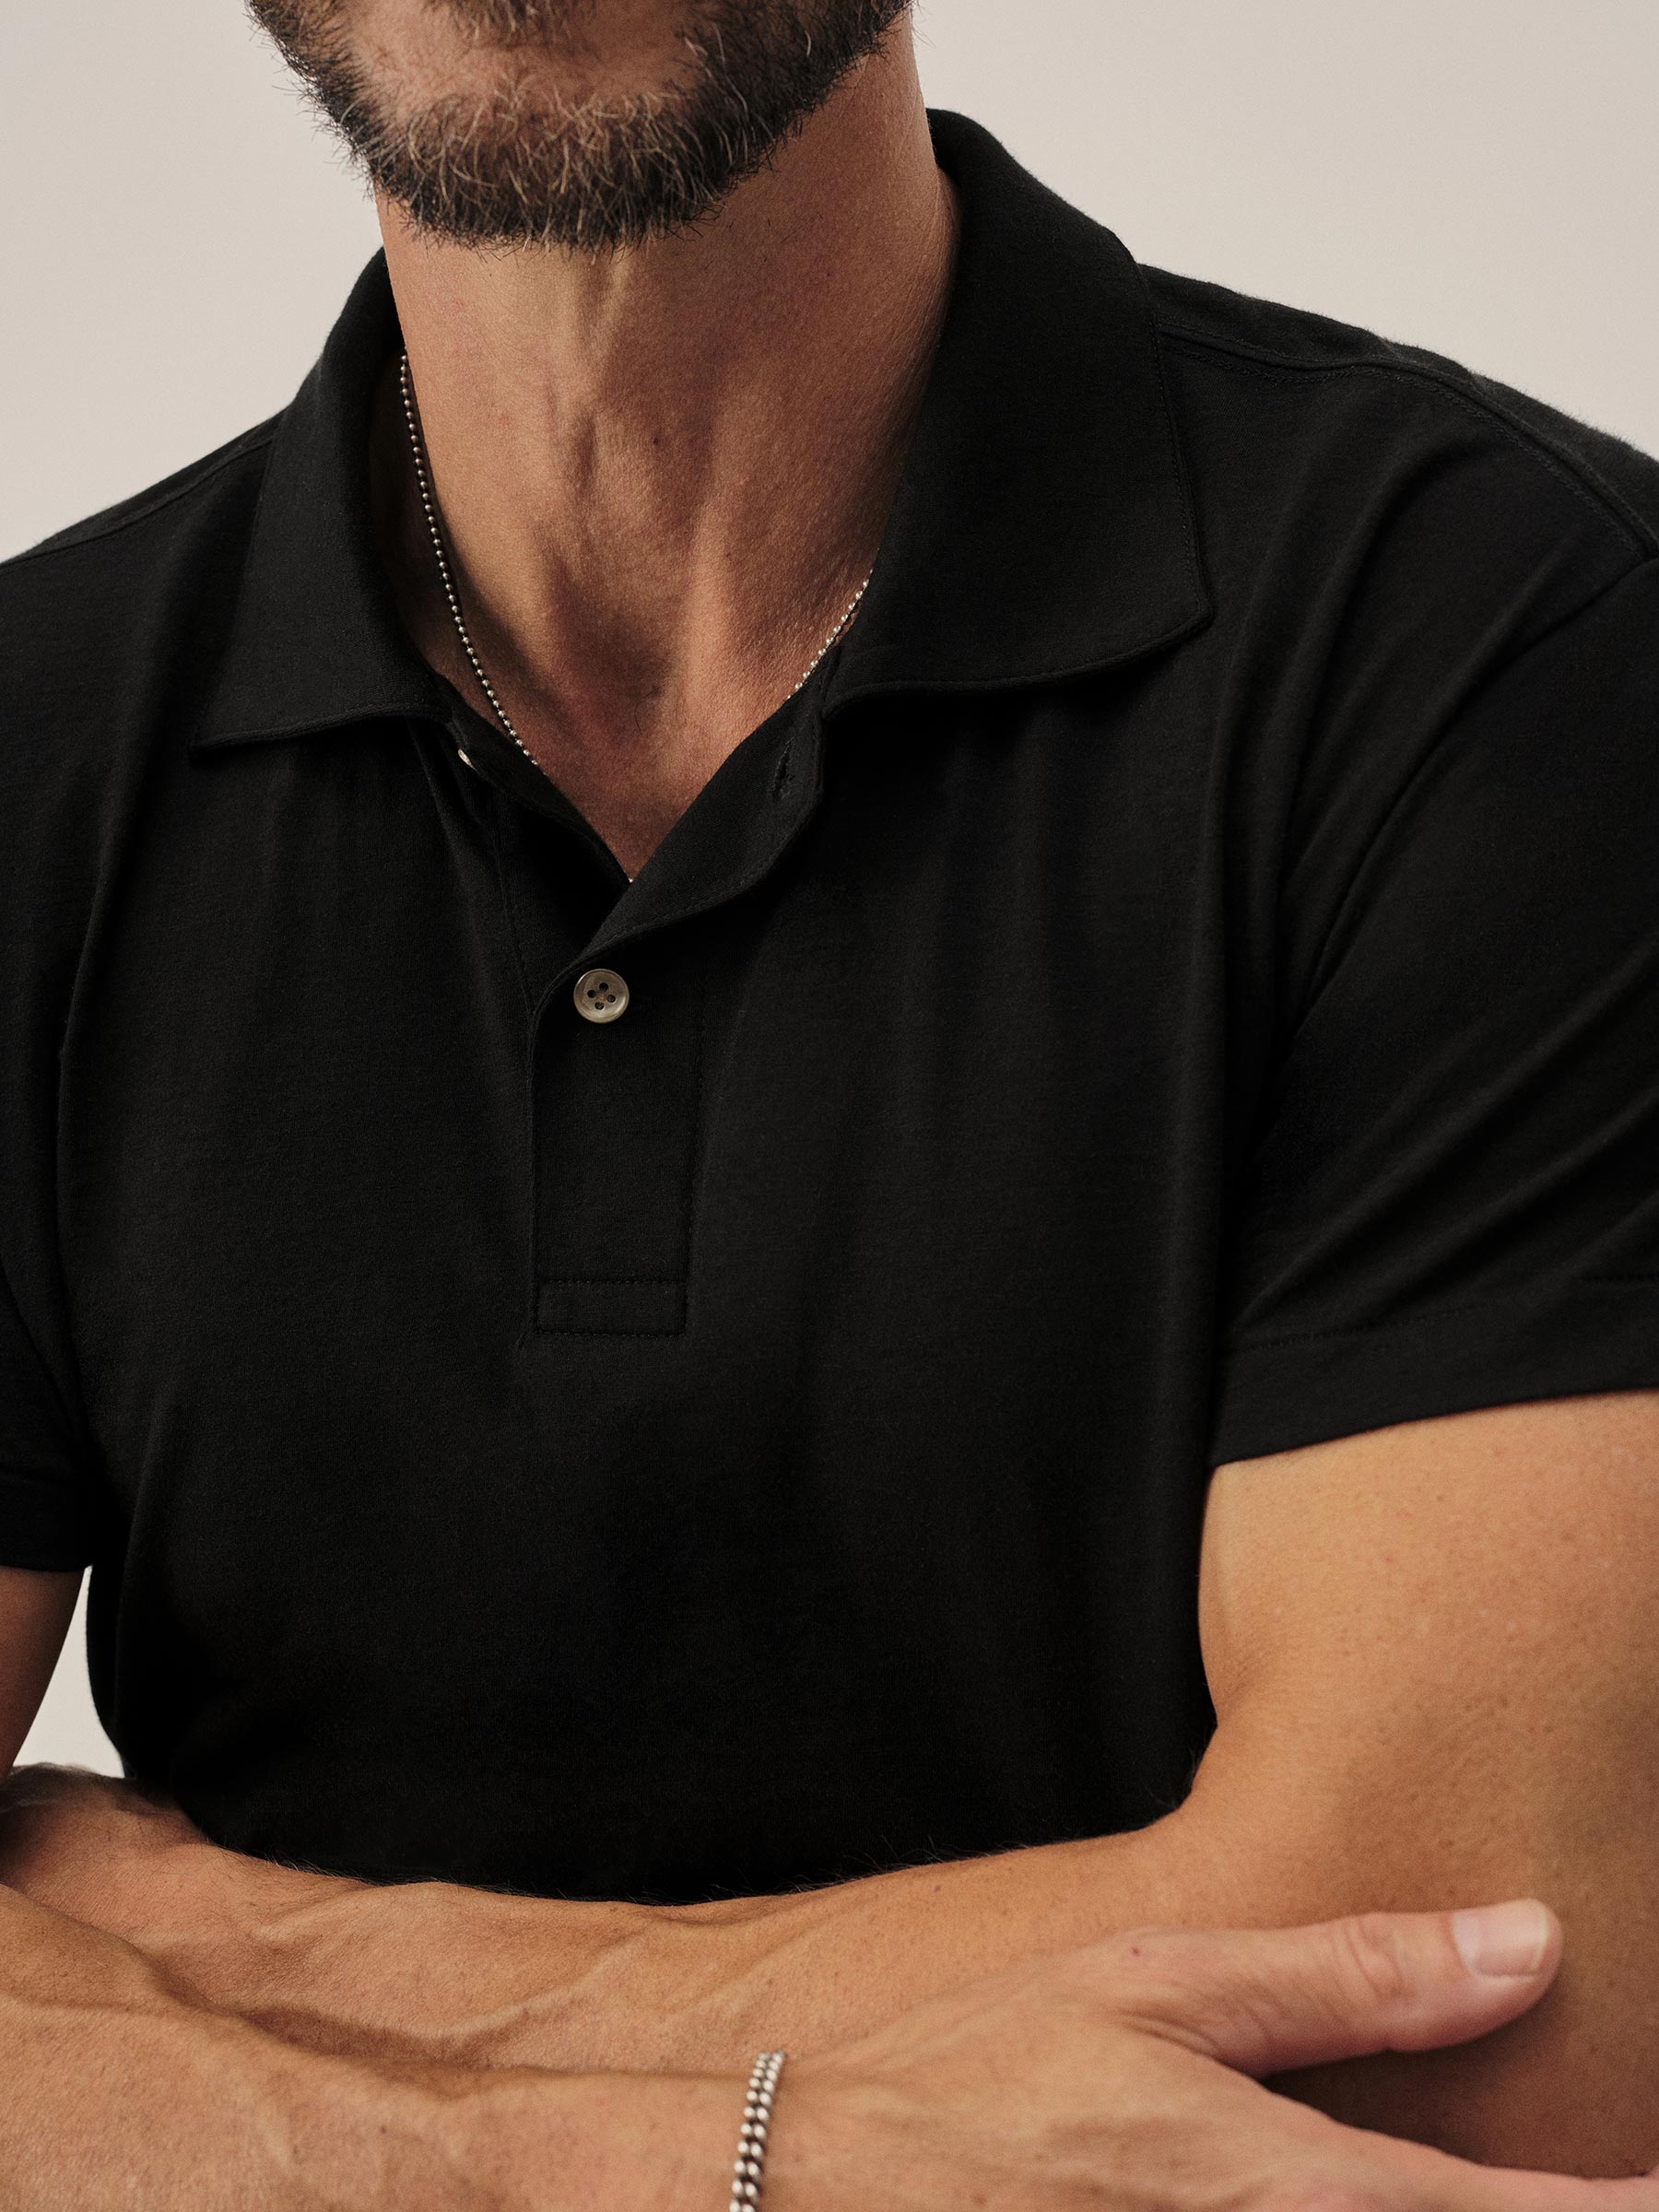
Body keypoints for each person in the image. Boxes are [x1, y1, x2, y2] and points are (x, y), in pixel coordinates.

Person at [2, 0, 1657, 2201]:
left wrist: (221, 1974)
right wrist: (725, 2163)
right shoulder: (29, 756)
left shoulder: (1504, 651)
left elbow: (1497, 2023)